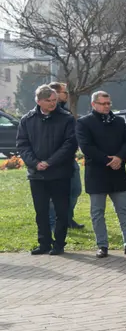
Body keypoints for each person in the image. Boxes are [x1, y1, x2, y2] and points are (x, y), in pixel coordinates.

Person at [77, 91, 126, 258]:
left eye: (108, 103)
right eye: (103, 103)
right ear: (93, 104)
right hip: (96, 173)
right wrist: (107, 160)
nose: (107, 106)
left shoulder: (118, 121)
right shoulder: (84, 123)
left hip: (117, 173)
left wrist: (120, 158)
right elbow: (86, 147)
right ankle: (102, 245)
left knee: (124, 209)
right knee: (97, 212)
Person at [16, 85, 78, 256]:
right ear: (38, 101)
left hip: (60, 173)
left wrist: (50, 162)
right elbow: (23, 144)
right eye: (48, 101)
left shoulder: (66, 118)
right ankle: (44, 242)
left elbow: (70, 144)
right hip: (37, 174)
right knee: (41, 211)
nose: (52, 104)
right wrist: (35, 163)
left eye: (54, 100)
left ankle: (59, 243)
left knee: (61, 211)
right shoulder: (27, 119)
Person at [48, 82, 84, 229]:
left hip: (69, 158)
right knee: (54, 194)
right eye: (64, 92)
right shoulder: (50, 112)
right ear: (55, 94)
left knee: (75, 190)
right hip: (55, 160)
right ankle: (54, 222)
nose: (67, 95)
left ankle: (68, 218)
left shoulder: (66, 112)